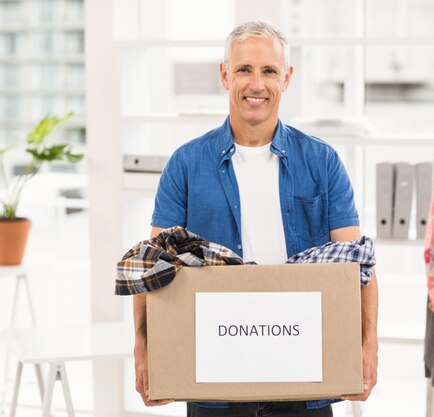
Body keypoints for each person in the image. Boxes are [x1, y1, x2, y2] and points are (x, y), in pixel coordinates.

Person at [132, 20, 378, 417]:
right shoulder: (186, 165)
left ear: (288, 78)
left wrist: (368, 346)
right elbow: (154, 265)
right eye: (244, 69)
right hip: (214, 372)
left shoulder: (322, 162)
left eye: (269, 71)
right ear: (224, 74)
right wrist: (143, 346)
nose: (256, 84)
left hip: (305, 368)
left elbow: (358, 266)